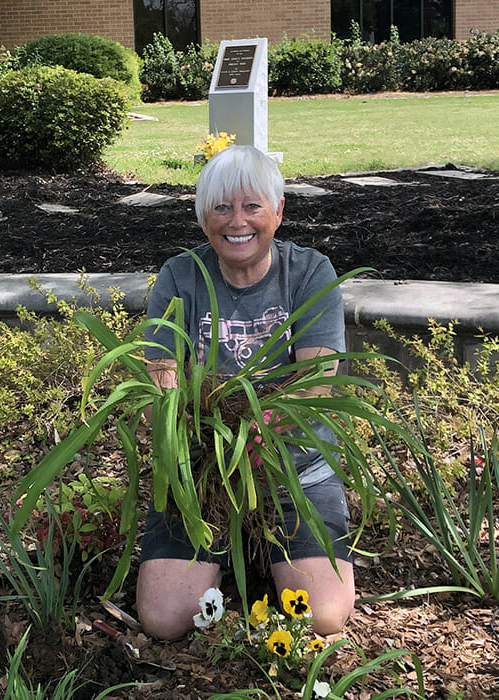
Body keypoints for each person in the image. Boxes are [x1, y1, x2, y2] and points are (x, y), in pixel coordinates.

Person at [136, 145, 356, 640]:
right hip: (202, 469)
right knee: (164, 618)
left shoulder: (309, 272)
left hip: (293, 468)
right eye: (221, 207)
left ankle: (267, 557)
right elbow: (162, 373)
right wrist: (209, 441)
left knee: (321, 615)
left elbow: (318, 380)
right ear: (202, 217)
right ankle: (231, 554)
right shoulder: (179, 276)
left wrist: (262, 433)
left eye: (253, 206)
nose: (238, 221)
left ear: (278, 211)